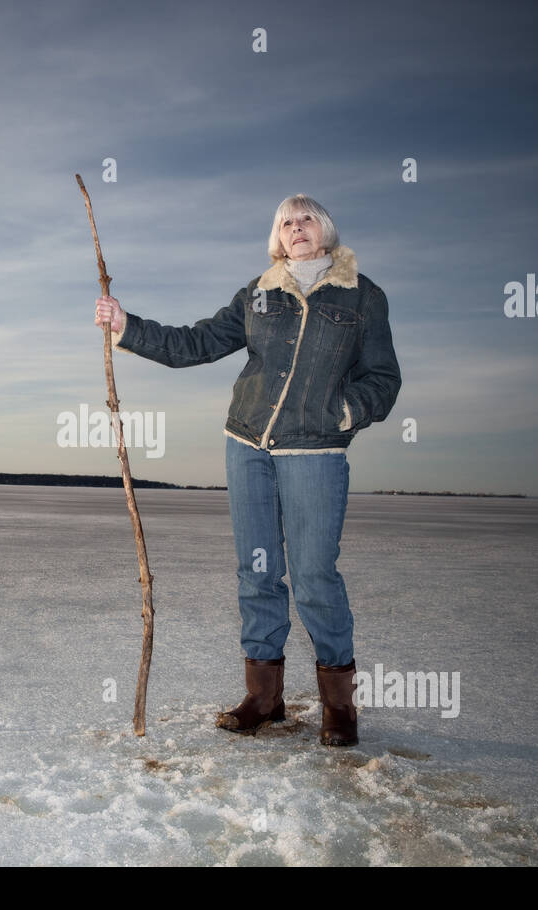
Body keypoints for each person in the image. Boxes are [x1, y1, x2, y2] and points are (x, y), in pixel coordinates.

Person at [93, 194, 401, 746]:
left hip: (315, 452)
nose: (296, 227)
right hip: (248, 445)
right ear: (276, 238)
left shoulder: (363, 297)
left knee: (313, 576)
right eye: (286, 222)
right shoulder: (258, 295)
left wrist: (346, 412)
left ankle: (340, 707)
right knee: (257, 572)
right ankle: (265, 697)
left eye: (306, 219)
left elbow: (383, 377)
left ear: (325, 229)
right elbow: (199, 342)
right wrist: (127, 326)